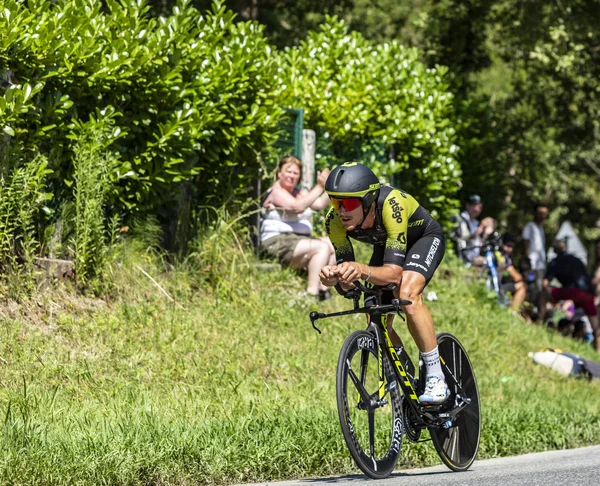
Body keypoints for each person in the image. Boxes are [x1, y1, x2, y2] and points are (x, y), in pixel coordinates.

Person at [319, 162, 449, 404]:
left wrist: (360, 269)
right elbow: (349, 283)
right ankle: (408, 378)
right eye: (335, 202)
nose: (341, 210)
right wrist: (335, 278)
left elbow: (394, 275)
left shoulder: (392, 206)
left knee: (407, 293)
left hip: (423, 238)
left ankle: (435, 375)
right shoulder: (334, 222)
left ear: (368, 200)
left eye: (348, 203)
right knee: (375, 316)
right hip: (388, 245)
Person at [260, 156, 334, 300]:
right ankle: (311, 295)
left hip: (299, 241)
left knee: (332, 244)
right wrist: (319, 186)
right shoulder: (276, 191)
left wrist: (330, 187)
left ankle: (324, 290)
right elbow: (296, 207)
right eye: (288, 172)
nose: (292, 176)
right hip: (277, 242)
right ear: (279, 172)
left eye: (296, 173)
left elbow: (318, 204)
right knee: (321, 248)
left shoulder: (299, 192)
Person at [541, 239, 600, 352]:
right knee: (596, 328)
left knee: (543, 295)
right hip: (588, 295)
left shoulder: (555, 262)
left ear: (554, 250)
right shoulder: (578, 260)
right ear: (565, 248)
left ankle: (540, 322)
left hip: (574, 292)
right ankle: (598, 353)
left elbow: (545, 284)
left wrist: (553, 301)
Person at [450, 194, 497, 266]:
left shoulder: (476, 223)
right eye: (475, 206)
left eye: (480, 207)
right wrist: (480, 228)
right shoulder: (459, 219)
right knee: (491, 262)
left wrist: (486, 234)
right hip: (465, 258)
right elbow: (461, 239)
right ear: (467, 205)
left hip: (476, 256)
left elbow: (479, 244)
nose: (478, 210)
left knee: (496, 261)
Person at [522, 204, 548, 314]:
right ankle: (526, 311)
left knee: (539, 290)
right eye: (540, 213)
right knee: (531, 288)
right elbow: (526, 243)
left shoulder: (541, 229)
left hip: (541, 264)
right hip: (532, 264)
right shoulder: (530, 226)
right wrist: (528, 262)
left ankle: (534, 312)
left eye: (544, 214)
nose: (542, 216)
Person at [495, 233, 527, 315]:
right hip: (497, 288)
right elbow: (517, 277)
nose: (510, 249)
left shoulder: (495, 252)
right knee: (521, 286)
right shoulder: (504, 257)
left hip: (496, 285)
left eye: (512, 247)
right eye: (508, 246)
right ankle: (513, 312)